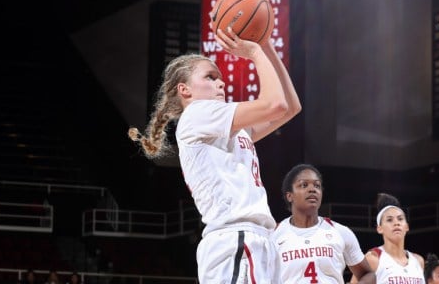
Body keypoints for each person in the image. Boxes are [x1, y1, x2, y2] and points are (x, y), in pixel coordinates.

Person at [127, 15, 302, 283]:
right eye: (210, 76)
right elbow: (275, 104)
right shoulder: (199, 114)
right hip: (236, 237)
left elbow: (290, 107)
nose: (221, 82)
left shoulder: (226, 127)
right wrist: (255, 51)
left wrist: (266, 45)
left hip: (255, 238)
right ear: (184, 90)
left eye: (219, 78)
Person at [271, 163, 375, 284]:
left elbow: (369, 274)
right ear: (290, 196)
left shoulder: (340, 231)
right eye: (304, 185)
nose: (312, 189)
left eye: (317, 185)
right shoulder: (274, 235)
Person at [351, 193, 425, 284]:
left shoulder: (418, 261)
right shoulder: (373, 259)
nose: (396, 223)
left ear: (407, 227)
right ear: (379, 228)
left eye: (400, 219)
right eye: (389, 220)